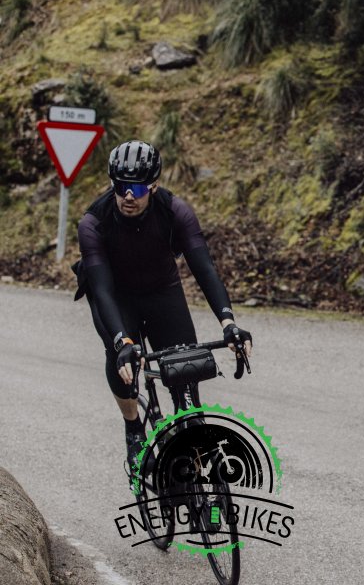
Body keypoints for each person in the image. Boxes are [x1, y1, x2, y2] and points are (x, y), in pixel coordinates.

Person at [75, 140, 253, 478]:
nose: (129, 196)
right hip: (116, 295)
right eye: (121, 187)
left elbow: (204, 269)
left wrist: (228, 322)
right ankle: (133, 428)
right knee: (123, 361)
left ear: (154, 186)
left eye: (138, 188)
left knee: (186, 368)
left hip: (162, 291)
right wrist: (123, 342)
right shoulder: (94, 222)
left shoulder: (175, 211)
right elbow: (102, 289)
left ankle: (192, 449)